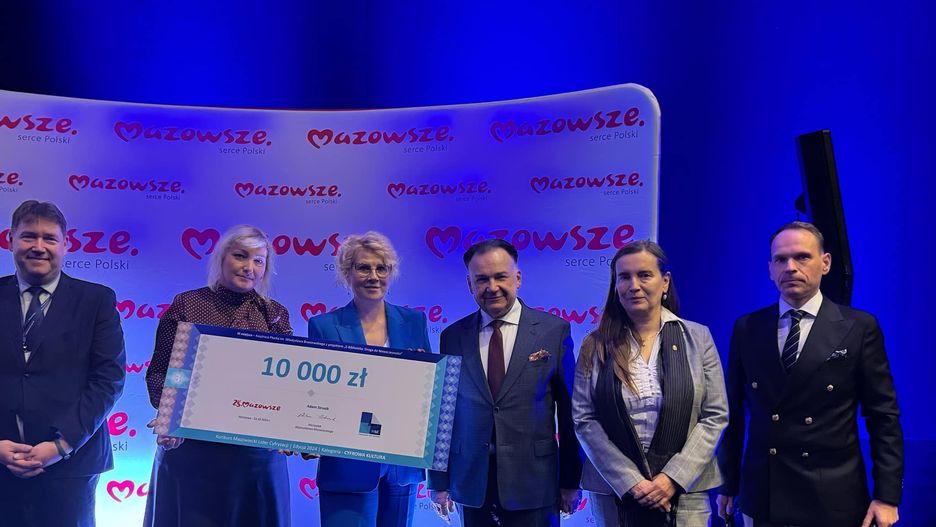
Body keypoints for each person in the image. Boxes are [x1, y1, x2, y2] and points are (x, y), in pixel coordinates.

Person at [717, 221, 903, 527]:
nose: (790, 267)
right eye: (780, 259)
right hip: (763, 495)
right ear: (770, 269)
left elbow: (883, 416)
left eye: (802, 257)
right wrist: (729, 483)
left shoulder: (859, 327)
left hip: (833, 497)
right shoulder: (747, 327)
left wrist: (887, 496)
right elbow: (733, 415)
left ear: (825, 263)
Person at [144, 224, 293, 527]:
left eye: (258, 261)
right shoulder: (187, 304)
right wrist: (170, 415)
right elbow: (162, 371)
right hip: (193, 452)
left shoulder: (275, 314)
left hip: (256, 459)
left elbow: (286, 387)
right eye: (240, 256)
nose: (249, 267)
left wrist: (293, 427)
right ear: (222, 257)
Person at [428, 239, 583, 527]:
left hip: (536, 483)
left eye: (500, 276)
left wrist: (571, 480)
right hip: (472, 484)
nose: (492, 287)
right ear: (470, 284)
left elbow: (569, 414)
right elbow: (442, 415)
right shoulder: (451, 336)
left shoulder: (553, 331)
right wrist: (438, 481)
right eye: (482, 279)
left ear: (518, 278)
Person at [572, 240, 728, 527]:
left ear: (665, 282)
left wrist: (672, 478)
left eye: (644, 275)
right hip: (614, 493)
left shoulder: (699, 338)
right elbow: (584, 419)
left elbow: (715, 416)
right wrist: (631, 481)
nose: (634, 285)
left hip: (686, 492)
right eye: (624, 277)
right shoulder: (593, 345)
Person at [0, 200, 126, 526]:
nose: (38, 246)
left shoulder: (97, 300)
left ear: (66, 245)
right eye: (28, 236)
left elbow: (108, 379)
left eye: (49, 238)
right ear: (10, 240)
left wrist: (61, 445)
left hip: (72, 466)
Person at [307, 231, 431, 527]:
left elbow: (429, 392)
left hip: (401, 465)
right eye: (364, 268)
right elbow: (312, 394)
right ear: (347, 272)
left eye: (381, 268)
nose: (374, 276)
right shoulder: (323, 326)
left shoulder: (414, 322)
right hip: (346, 466)